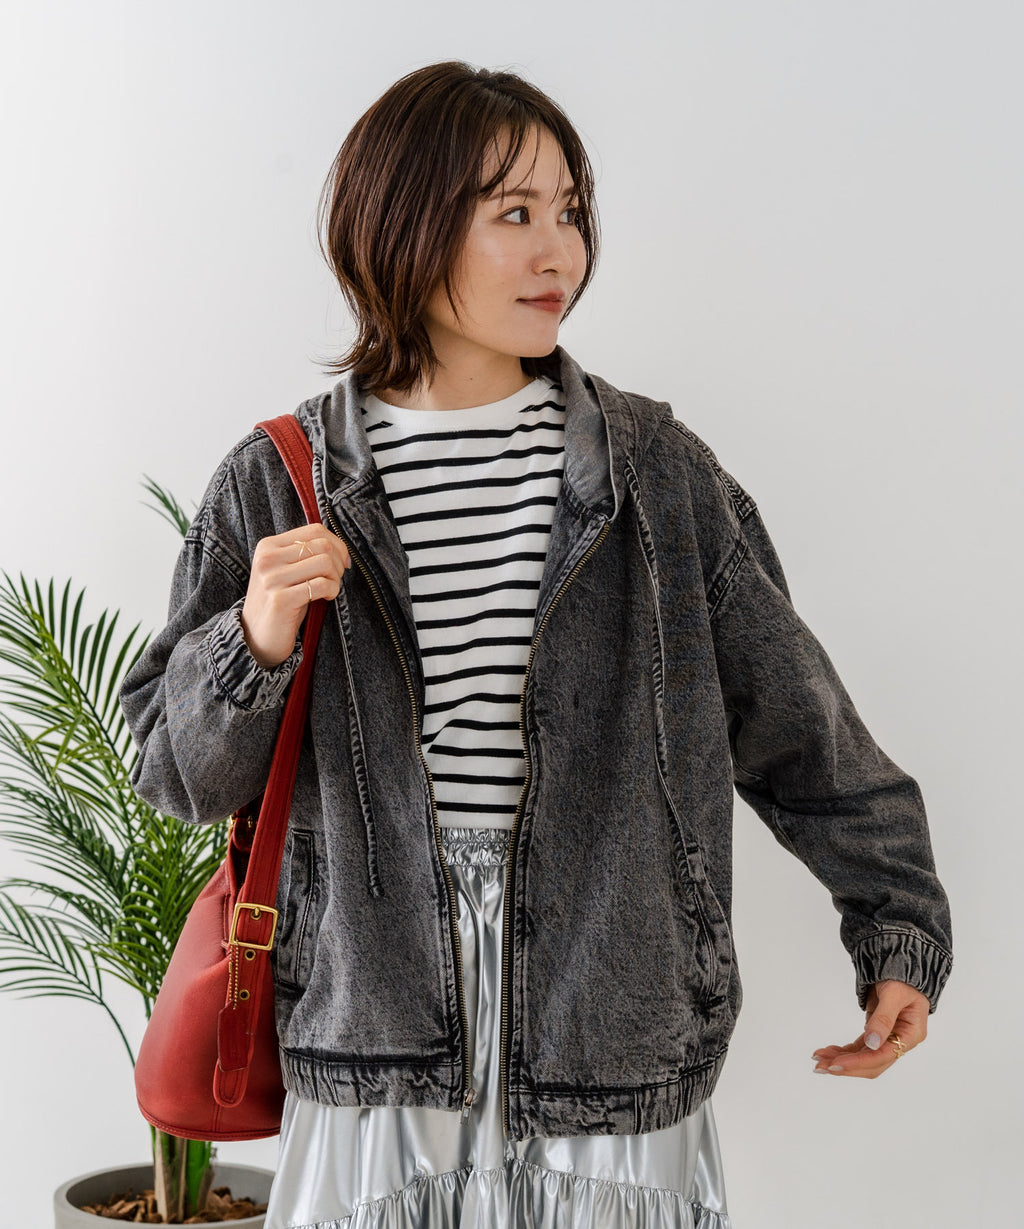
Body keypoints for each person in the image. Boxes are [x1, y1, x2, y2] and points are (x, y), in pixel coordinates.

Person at [118, 60, 953, 1229]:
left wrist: (897, 926)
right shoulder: (277, 480)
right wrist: (249, 642)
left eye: (569, 210)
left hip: (610, 1007)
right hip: (379, 1018)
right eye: (513, 212)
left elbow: (801, 728)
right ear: (401, 224)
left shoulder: (656, 476)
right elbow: (172, 773)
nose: (558, 249)